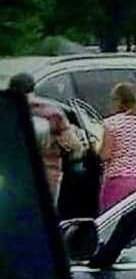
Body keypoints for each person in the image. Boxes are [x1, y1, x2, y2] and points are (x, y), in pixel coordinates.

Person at [8, 72, 85, 206]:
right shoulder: (51, 113)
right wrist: (77, 155)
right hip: (47, 174)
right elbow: (73, 145)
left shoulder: (6, 110)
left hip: (12, 174)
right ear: (33, 88)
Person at [99, 82, 136, 212]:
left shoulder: (112, 123)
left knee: (111, 219)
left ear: (120, 101)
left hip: (118, 179)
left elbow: (105, 155)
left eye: (113, 99)